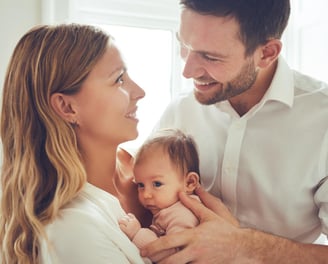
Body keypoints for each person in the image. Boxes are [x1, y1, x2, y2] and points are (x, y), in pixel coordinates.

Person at [140, 0, 328, 263]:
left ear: (267, 53)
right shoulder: (181, 110)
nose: (187, 70)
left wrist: (245, 245)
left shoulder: (323, 119)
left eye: (210, 56)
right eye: (184, 44)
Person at [0, 24, 153, 264]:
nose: (140, 92)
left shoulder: (155, 164)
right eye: (119, 80)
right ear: (66, 107)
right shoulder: (72, 230)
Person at [119, 129, 201, 263]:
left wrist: (137, 234)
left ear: (190, 182)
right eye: (141, 185)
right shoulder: (170, 208)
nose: (146, 194)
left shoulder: (183, 214)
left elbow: (176, 255)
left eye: (157, 184)